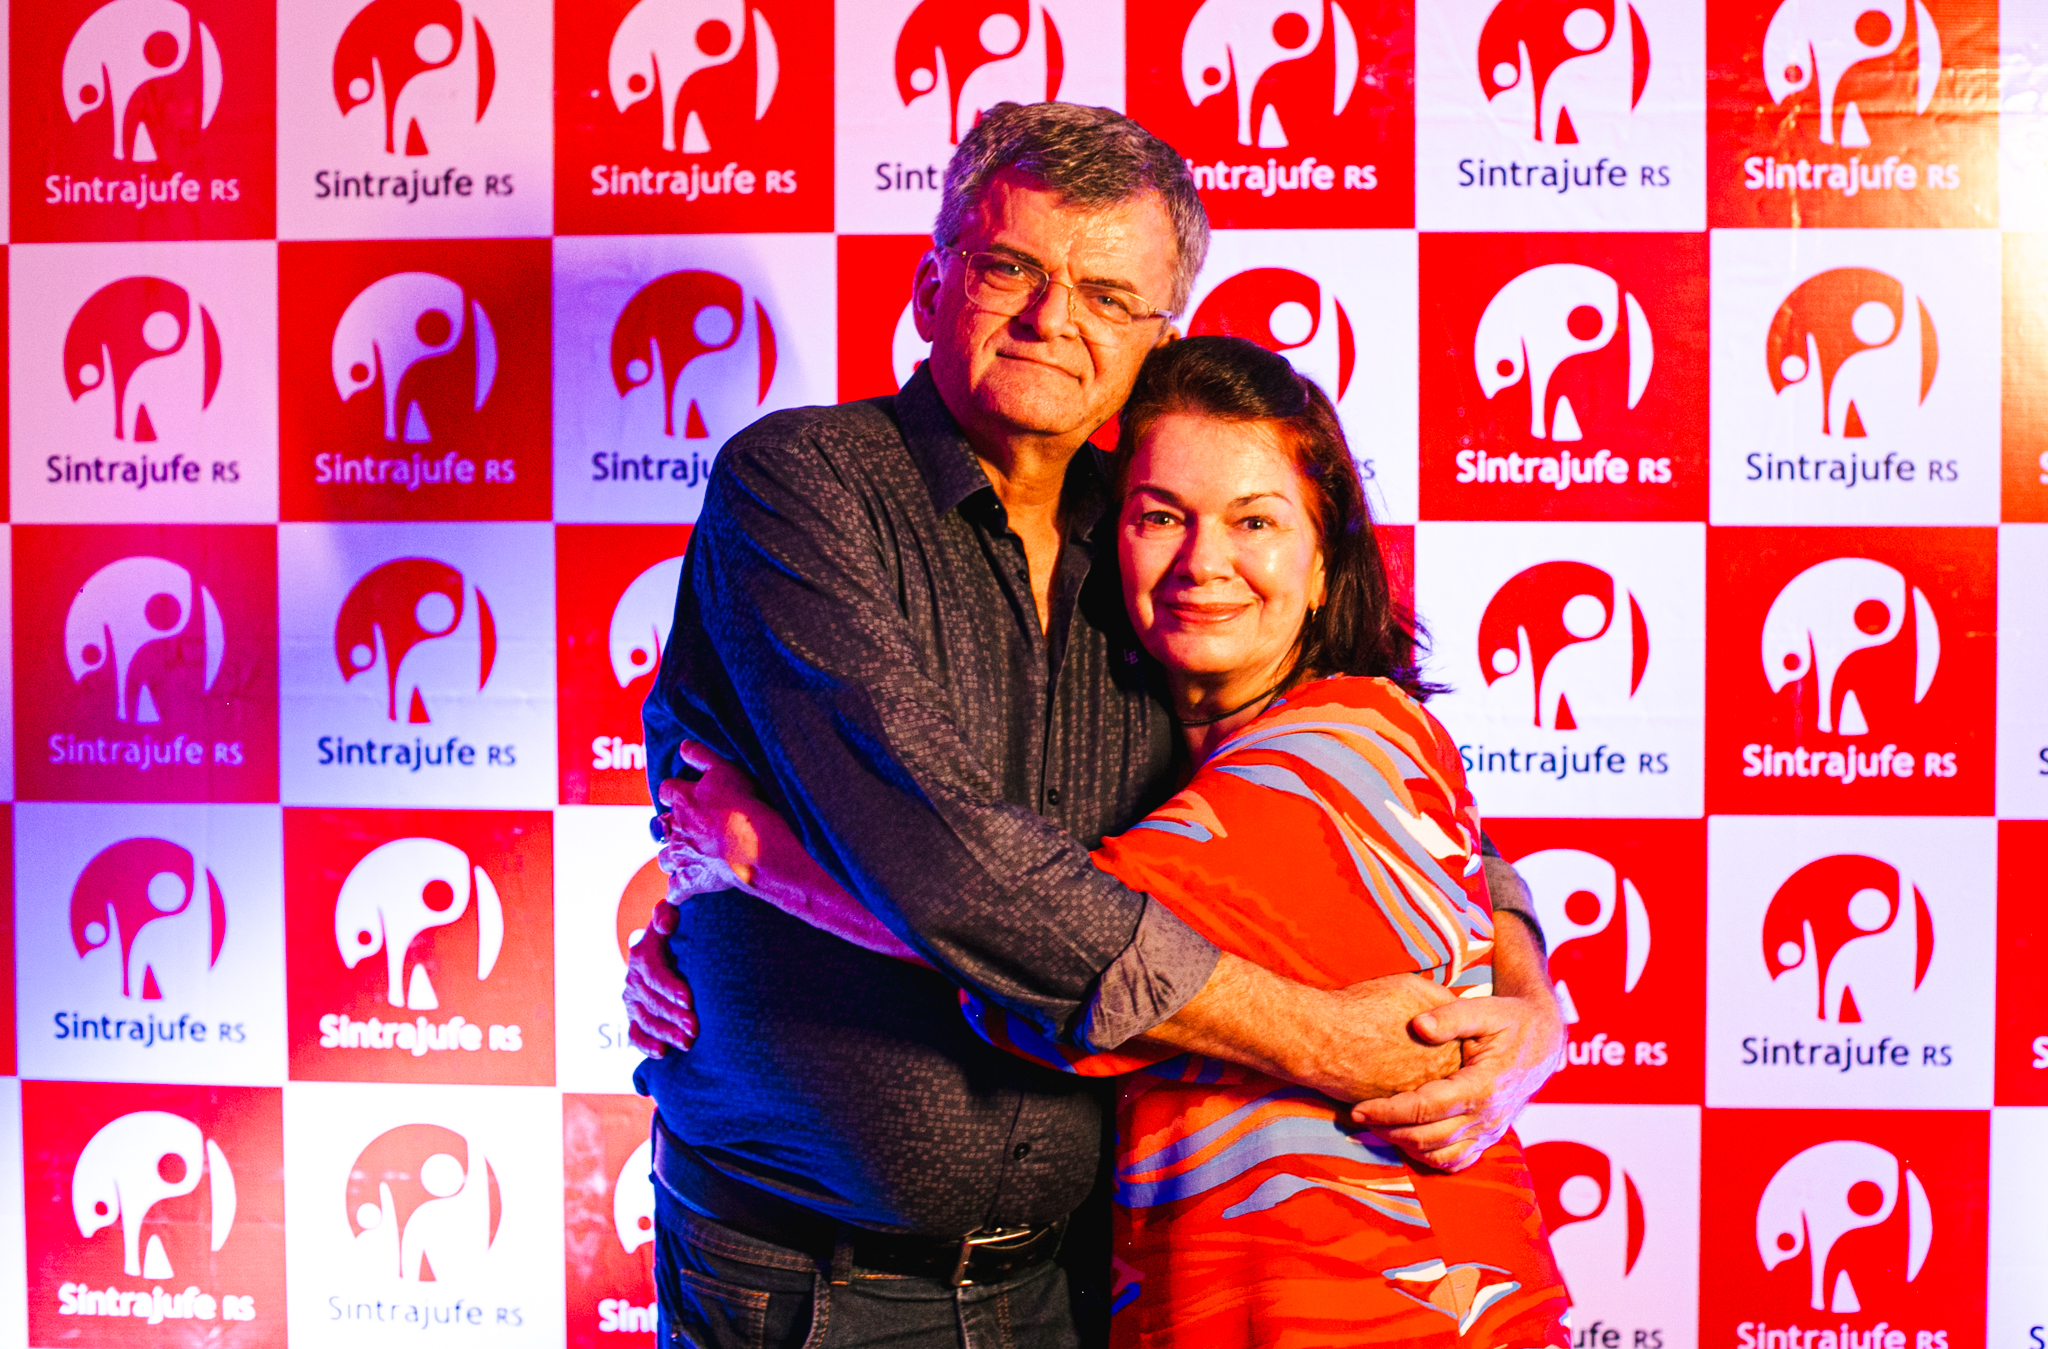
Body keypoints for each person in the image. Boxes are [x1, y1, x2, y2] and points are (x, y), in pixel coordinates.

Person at [627, 101, 1564, 1348]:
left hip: (1086, 1282)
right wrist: (1325, 1039)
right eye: (1010, 267)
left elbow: (1352, 795)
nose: (1051, 318)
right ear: (930, 284)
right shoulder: (804, 486)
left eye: (1108, 295)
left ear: (1152, 337)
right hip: (814, 1279)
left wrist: (1528, 994)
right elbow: (954, 870)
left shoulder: (1149, 536)